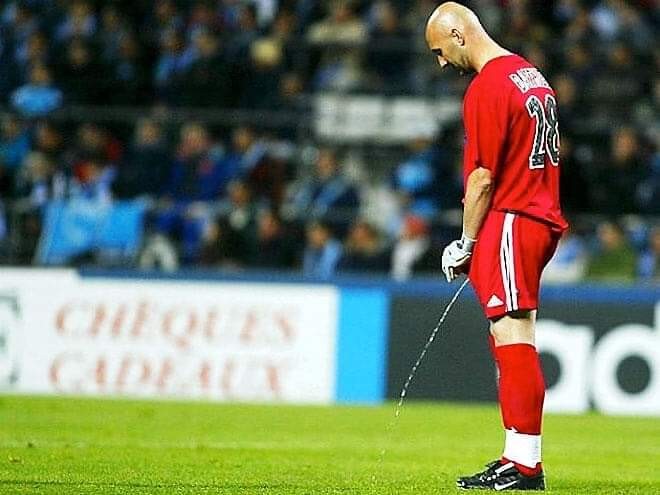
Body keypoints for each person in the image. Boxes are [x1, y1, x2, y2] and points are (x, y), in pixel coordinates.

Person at [426, 3, 568, 491]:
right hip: (539, 214)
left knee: (513, 339)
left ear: (459, 35)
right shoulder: (531, 74)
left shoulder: (487, 85)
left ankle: (526, 464)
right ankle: (516, 455)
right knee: (511, 335)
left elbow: (482, 177)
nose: (441, 63)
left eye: (440, 50)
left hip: (513, 218)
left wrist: (465, 242)